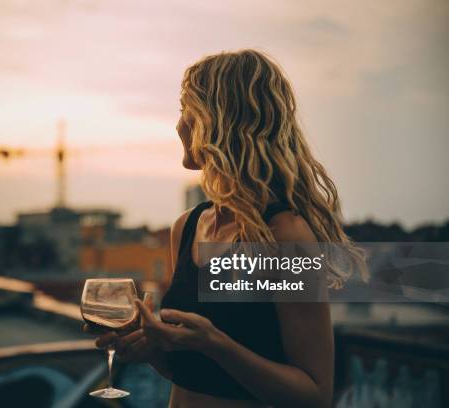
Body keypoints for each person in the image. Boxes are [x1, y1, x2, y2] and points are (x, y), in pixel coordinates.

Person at [85, 49, 365, 408]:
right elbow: (193, 375)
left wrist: (216, 344)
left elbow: (314, 395)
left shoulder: (285, 236)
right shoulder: (186, 228)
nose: (178, 125)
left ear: (219, 119)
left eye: (186, 110)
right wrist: (153, 349)